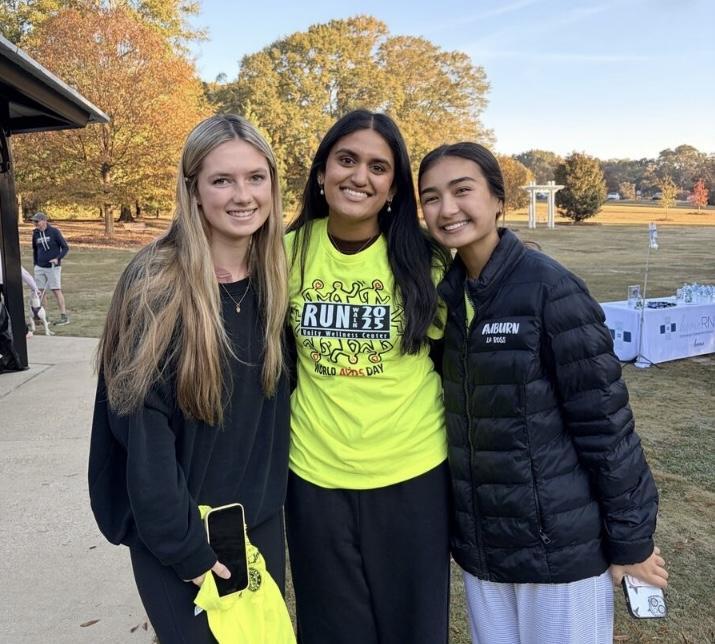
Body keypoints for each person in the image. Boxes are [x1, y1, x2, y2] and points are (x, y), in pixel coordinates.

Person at [417, 142, 668, 644]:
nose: (447, 209)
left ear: (497, 200)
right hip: (486, 552)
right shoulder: (445, 298)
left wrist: (632, 539)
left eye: (462, 190)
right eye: (431, 197)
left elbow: (606, 426)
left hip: (559, 553)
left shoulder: (550, 289)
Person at [88, 114, 290, 642]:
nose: (243, 195)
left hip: (257, 525)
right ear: (193, 190)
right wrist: (188, 550)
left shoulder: (277, 279)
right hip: (180, 533)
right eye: (222, 180)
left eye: (256, 177)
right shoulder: (155, 283)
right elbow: (141, 434)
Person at [285, 109, 452, 644]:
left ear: (394, 188)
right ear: (322, 171)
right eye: (347, 160)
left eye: (378, 168)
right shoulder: (284, 253)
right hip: (315, 477)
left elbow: (454, 357)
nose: (360, 176)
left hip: (413, 473)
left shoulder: (426, 261)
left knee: (414, 630)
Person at [31, 211, 70, 325]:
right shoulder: (35, 234)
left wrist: (57, 258)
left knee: (56, 290)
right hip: (39, 267)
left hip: (53, 267)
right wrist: (35, 264)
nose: (35, 224)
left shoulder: (54, 232)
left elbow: (65, 247)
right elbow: (35, 250)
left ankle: (64, 316)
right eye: (34, 222)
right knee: (40, 291)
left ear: (44, 221)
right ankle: (44, 317)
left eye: (37, 221)